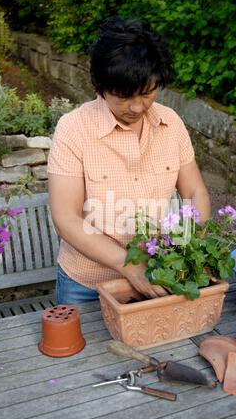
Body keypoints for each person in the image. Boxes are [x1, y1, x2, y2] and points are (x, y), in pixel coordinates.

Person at [47, 16, 210, 305]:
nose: (137, 107)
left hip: (160, 276)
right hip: (86, 285)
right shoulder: (73, 129)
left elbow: (194, 192)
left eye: (147, 94)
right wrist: (128, 264)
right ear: (99, 85)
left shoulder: (171, 124)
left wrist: (189, 248)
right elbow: (66, 218)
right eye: (123, 97)